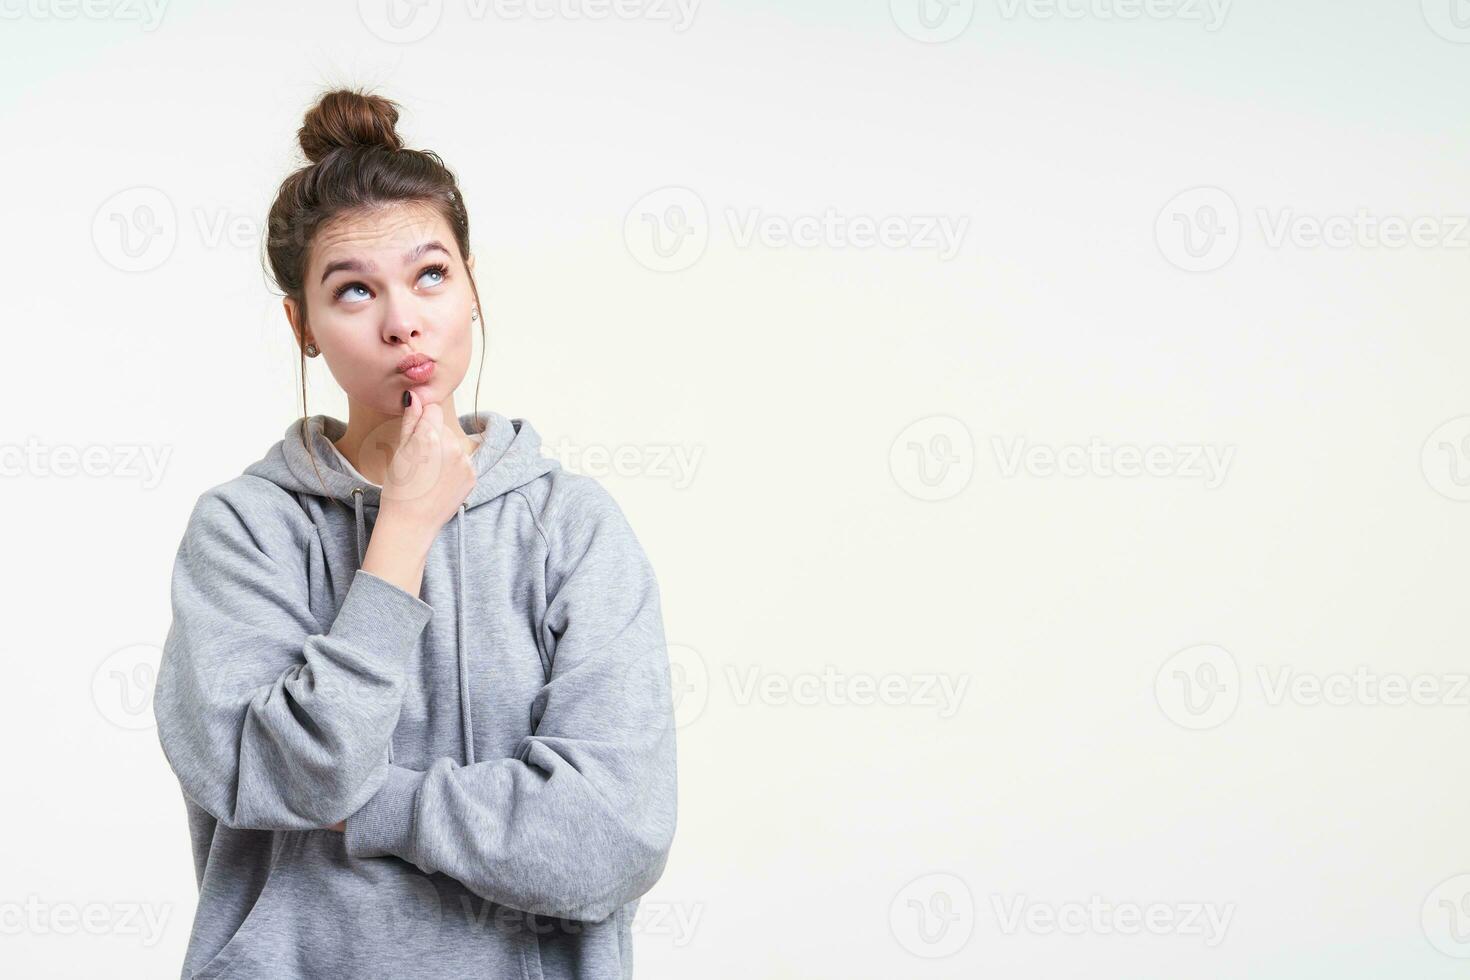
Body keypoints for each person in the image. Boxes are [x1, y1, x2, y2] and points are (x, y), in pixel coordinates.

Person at [152, 87, 678, 980]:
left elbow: (612, 838)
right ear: (302, 326)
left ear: (472, 282)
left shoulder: (571, 527)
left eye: (431, 274)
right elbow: (296, 780)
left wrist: (369, 808)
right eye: (354, 290)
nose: (402, 322)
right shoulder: (241, 533)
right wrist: (401, 531)